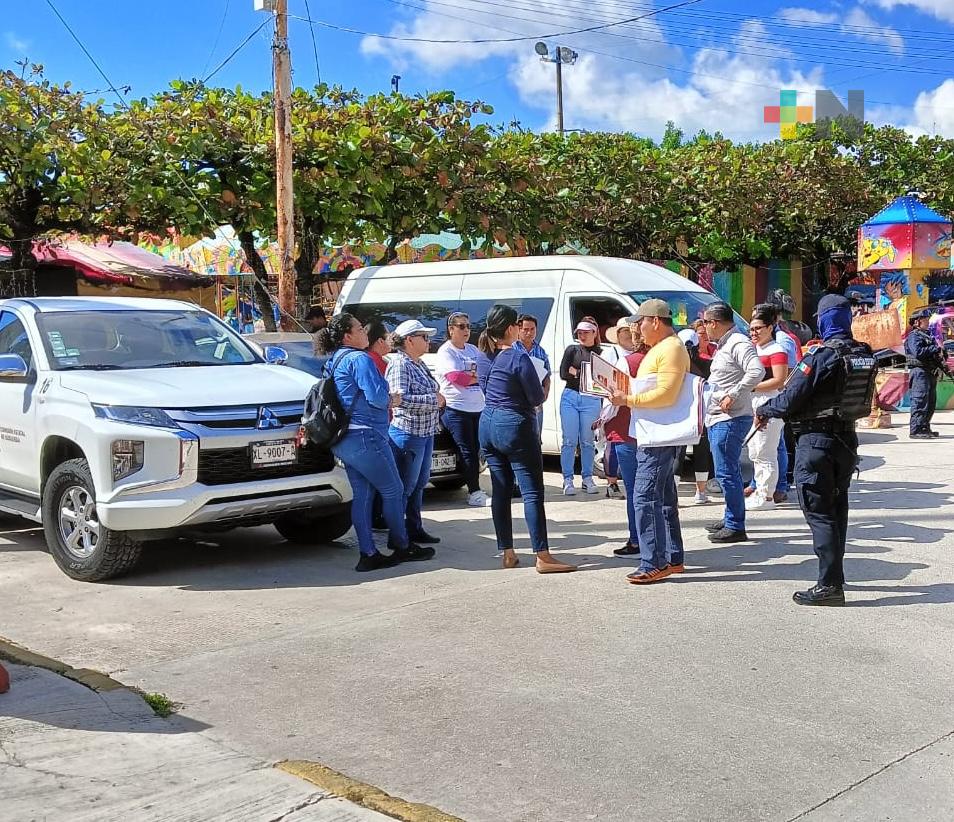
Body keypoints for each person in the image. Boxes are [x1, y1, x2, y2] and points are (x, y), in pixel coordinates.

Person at [755, 294, 877, 606]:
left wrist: (767, 409)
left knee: (820, 514)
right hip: (846, 442)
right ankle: (834, 574)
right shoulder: (862, 353)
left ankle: (829, 587)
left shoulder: (821, 357)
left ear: (823, 320)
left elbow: (790, 398)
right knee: (838, 511)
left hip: (815, 444)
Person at [316, 314, 431, 572]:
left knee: (363, 496)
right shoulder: (359, 359)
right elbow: (378, 398)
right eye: (359, 328)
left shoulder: (337, 359)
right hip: (367, 436)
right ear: (348, 335)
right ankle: (402, 546)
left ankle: (368, 552)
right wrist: (394, 399)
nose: (364, 331)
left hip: (347, 438)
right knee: (393, 490)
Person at [476, 304, 576, 574]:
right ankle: (542, 555)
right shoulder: (518, 358)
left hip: (487, 422)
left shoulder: (485, 355)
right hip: (514, 423)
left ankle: (507, 552)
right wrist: (545, 386)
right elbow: (536, 398)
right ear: (512, 328)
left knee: (501, 491)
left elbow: (486, 386)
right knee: (532, 492)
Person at [608, 299, 689, 584]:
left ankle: (653, 562)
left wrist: (626, 399)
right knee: (663, 497)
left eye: (640, 322)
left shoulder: (670, 348)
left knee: (645, 497)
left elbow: (666, 394)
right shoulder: (666, 348)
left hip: (658, 435)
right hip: (655, 432)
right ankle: (672, 557)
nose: (637, 328)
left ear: (655, 321)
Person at [702, 302, 764, 543]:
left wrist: (735, 394)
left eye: (706, 322)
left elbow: (757, 371)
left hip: (730, 417)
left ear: (714, 323)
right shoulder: (726, 344)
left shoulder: (738, 342)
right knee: (725, 471)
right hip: (720, 417)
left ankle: (736, 524)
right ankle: (731, 517)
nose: (704, 328)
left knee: (727, 473)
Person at [387, 320, 445, 547]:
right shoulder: (400, 364)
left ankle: (414, 528)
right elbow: (398, 400)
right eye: (424, 337)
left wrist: (436, 398)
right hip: (408, 433)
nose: (428, 341)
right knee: (404, 487)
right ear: (409, 340)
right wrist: (434, 400)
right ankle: (398, 537)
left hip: (425, 432)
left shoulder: (417, 363)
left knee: (419, 483)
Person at [603, 316, 649, 556]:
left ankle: (637, 539)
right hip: (653, 431)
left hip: (626, 429)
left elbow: (612, 400)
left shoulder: (627, 362)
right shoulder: (660, 359)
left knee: (634, 490)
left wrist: (602, 419)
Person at [435, 312, 489, 507]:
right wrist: (476, 377)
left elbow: (485, 371)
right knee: (467, 451)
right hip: (456, 409)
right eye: (461, 326)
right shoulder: (446, 352)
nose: (467, 330)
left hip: (478, 407)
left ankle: (476, 487)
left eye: (468, 326)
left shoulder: (473, 349)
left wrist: (473, 377)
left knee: (477, 450)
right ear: (451, 329)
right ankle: (474, 492)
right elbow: (457, 378)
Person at [745, 306, 790, 511]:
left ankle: (767, 496)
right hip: (753, 403)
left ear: (770, 327)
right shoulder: (753, 350)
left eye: (758, 328)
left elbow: (779, 380)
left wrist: (751, 386)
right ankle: (760, 490)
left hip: (769, 404)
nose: (754, 333)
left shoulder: (776, 350)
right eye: (751, 329)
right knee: (755, 451)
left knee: (766, 451)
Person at [558, 317, 604, 495]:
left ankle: (587, 477)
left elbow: (600, 378)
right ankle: (567, 479)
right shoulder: (572, 349)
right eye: (580, 333)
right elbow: (564, 372)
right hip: (571, 396)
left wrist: (576, 372)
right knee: (569, 440)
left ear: (594, 333)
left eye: (586, 332)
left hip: (591, 398)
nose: (582, 336)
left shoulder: (600, 352)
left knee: (587, 441)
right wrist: (584, 373)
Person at [678, 328, 713, 505]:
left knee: (678, 451)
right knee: (702, 451)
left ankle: (674, 492)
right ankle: (701, 492)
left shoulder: (674, 365)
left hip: (680, 412)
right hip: (702, 412)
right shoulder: (708, 363)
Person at [905, 308, 945, 439]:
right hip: (919, 372)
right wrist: (935, 347)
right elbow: (918, 352)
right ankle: (915, 429)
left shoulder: (928, 336)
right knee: (920, 400)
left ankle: (924, 427)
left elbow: (935, 354)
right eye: (925, 320)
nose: (928, 322)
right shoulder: (914, 336)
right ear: (917, 322)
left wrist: (941, 353)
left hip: (929, 372)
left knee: (930, 402)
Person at [513, 313, 551, 437]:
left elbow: (547, 375)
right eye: (526, 329)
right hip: (517, 399)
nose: (529, 333)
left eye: (532, 329)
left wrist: (545, 393)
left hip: (536, 400)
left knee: (535, 436)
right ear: (518, 330)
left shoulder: (540, 350)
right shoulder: (512, 349)